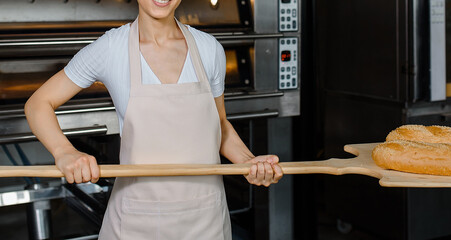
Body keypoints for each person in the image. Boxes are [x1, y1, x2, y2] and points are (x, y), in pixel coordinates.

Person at [24, 0, 283, 239]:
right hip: (136, 222)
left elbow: (220, 124)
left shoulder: (208, 48)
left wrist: (249, 162)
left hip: (206, 220)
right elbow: (38, 104)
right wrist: (64, 152)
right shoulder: (111, 48)